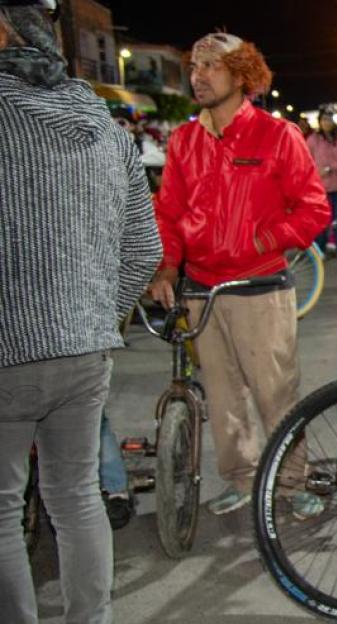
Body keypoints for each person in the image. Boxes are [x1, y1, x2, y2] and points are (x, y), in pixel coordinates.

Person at [1, 2, 162, 621]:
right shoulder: (104, 124)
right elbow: (144, 245)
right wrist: (96, 314)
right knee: (75, 497)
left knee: (4, 509)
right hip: (84, 348)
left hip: (8, 347)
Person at [148, 32, 330, 517]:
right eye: (195, 66)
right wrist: (168, 266)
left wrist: (264, 240)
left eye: (211, 66)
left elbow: (314, 209)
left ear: (242, 74)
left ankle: (290, 484)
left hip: (261, 288)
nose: (198, 76)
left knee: (276, 394)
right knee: (225, 398)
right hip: (201, 290)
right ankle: (242, 479)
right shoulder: (184, 140)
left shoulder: (277, 135)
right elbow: (167, 212)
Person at [307, 114, 337, 256]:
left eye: (329, 120)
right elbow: (307, 161)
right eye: (324, 120)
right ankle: (320, 249)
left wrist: (329, 168)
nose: (327, 123)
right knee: (321, 219)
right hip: (320, 187)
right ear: (319, 122)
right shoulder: (313, 140)